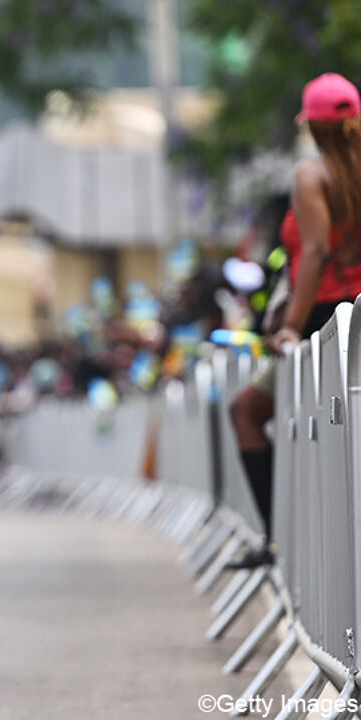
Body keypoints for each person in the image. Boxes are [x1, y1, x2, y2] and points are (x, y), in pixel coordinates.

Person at [227, 72, 361, 570]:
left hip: (327, 322)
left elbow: (318, 251)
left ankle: (279, 544)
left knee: (246, 412)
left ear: (310, 124)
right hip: (358, 314)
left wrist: (290, 325)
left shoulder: (312, 175)